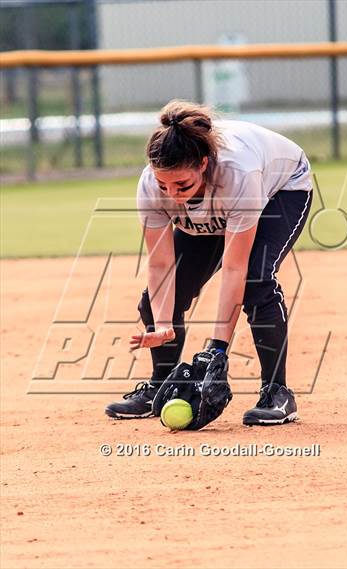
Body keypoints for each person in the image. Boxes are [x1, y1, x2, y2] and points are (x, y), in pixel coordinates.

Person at [105, 100, 312, 426]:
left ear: (203, 164)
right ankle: (160, 387)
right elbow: (161, 266)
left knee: (257, 281)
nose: (172, 195)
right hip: (216, 207)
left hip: (280, 189)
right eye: (164, 185)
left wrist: (217, 349)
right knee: (156, 299)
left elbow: (234, 268)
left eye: (181, 185)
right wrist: (162, 325)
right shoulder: (151, 186)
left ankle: (277, 393)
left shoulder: (238, 173)